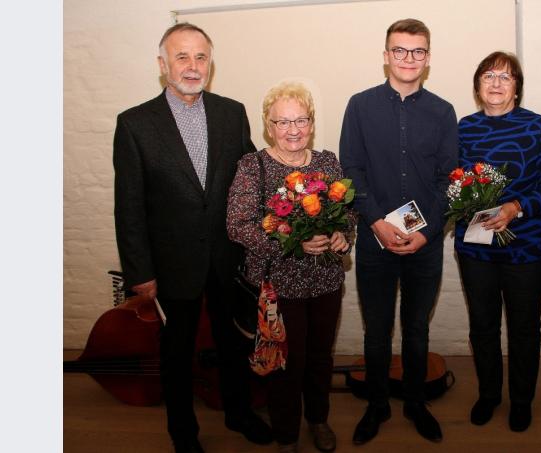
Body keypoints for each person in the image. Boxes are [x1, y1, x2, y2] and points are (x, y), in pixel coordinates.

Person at [113, 23, 272, 453]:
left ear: (211, 64)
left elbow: (249, 183)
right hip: (171, 265)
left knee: (234, 343)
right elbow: (128, 207)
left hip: (228, 257)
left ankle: (239, 414)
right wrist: (140, 273)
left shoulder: (231, 112)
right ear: (162, 64)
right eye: (181, 56)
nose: (192, 65)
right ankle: (183, 433)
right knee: (177, 354)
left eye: (200, 56)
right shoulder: (134, 125)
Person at [339, 18, 458, 445]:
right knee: (376, 331)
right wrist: (375, 222)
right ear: (386, 55)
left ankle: (414, 403)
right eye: (400, 50)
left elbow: (450, 180)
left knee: (416, 329)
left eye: (418, 51)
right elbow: (350, 169)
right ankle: (376, 406)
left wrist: (426, 233)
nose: (409, 58)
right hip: (375, 241)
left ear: (428, 58)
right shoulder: (359, 105)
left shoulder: (443, 112)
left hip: (424, 245)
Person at [227, 82, 353, 453]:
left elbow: (347, 213)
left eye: (300, 120)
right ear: (268, 125)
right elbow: (238, 224)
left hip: (326, 281)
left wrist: (343, 235)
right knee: (286, 363)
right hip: (278, 288)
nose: (293, 129)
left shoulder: (327, 162)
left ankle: (318, 419)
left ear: (312, 123)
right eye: (282, 122)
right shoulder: (255, 166)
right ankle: (286, 435)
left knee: (319, 357)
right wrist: (293, 242)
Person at [454, 51, 541, 432]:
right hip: (476, 248)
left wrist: (516, 206)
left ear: (517, 85)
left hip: (526, 248)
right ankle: (488, 395)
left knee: (524, 328)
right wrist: (461, 201)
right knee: (482, 326)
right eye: (488, 76)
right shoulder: (463, 127)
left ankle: (521, 400)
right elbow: (450, 184)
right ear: (477, 85)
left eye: (505, 76)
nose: (496, 83)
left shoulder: (535, 126)